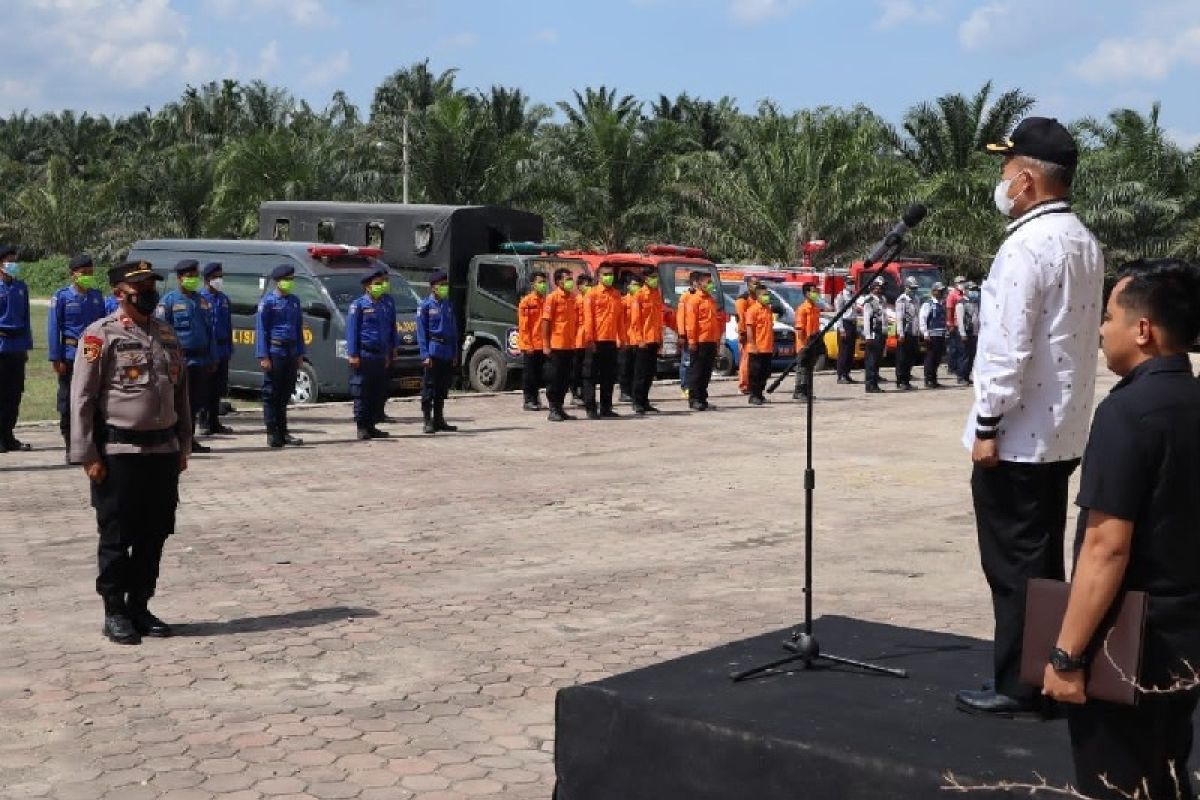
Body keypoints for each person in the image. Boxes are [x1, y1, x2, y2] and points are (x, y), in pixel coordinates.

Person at [956, 116, 1104, 717]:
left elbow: (1007, 346)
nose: (1001, 182)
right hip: (1061, 429)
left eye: (1005, 170)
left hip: (1017, 434)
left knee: (1014, 564)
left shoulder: (1025, 246)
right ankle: (1050, 670)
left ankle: (1020, 685)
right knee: (1042, 561)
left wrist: (987, 423)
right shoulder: (1083, 241)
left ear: (1026, 179)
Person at [1041, 260, 1200, 799]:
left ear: (1143, 330)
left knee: (1115, 780)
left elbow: (1106, 547)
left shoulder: (1127, 413)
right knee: (1170, 771)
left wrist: (1066, 655)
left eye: (1109, 316)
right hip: (1186, 636)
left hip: (1130, 644)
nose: (1101, 328)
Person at [70, 259, 190, 645]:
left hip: (163, 451)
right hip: (118, 451)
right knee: (118, 533)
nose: (148, 293)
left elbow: (182, 395)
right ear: (119, 293)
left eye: (151, 285)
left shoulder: (166, 334)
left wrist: (184, 444)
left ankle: (140, 603)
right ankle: (114, 610)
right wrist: (87, 453)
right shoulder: (98, 336)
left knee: (155, 532)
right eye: (139, 287)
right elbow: (82, 399)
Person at [48, 253, 106, 455]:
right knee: (68, 400)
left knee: (93, 398)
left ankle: (92, 442)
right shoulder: (62, 297)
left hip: (93, 353)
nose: (88, 276)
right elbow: (54, 328)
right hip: (70, 354)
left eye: (90, 273)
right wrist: (56, 357)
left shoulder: (97, 297)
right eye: (84, 273)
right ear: (73, 274)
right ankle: (70, 445)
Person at [156, 260, 214, 454]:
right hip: (180, 360)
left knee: (195, 401)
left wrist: (212, 357)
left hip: (201, 359)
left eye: (194, 276)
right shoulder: (169, 301)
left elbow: (209, 330)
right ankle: (175, 440)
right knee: (179, 402)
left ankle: (189, 439)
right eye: (189, 276)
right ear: (180, 278)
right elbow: (162, 333)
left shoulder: (202, 300)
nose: (192, 279)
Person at [255, 264, 306, 448]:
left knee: (285, 393)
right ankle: (272, 432)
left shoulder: (294, 301)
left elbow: (298, 328)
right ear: (278, 281)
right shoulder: (267, 302)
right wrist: (263, 356)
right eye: (287, 279)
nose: (290, 283)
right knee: (271, 394)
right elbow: (261, 330)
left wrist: (300, 352)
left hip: (291, 352)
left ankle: (284, 432)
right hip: (275, 351)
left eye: (292, 279)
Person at [345, 267, 397, 440]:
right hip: (364, 354)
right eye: (377, 284)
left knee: (377, 392)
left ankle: (372, 425)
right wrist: (353, 354)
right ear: (367, 286)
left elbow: (391, 328)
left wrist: (392, 350)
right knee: (362, 392)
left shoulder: (385, 304)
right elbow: (352, 331)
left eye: (382, 283)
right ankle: (362, 426)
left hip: (380, 355)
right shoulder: (358, 305)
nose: (381, 286)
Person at [416, 270, 459, 435]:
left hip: (447, 351)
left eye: (446, 285)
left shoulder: (448, 304)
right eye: (442, 285)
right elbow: (421, 333)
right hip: (433, 349)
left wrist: (455, 353)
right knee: (429, 387)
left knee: (442, 387)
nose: (445, 288)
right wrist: (425, 355)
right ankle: (427, 420)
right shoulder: (425, 305)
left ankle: (439, 419)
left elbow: (453, 330)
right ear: (433, 287)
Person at [0, 245, 32, 453]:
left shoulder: (21, 287)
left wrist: (26, 347)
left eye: (14, 260)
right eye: (8, 260)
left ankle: (8, 435)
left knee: (14, 394)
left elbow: (27, 317)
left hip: (17, 347)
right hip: (0, 345)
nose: (13, 264)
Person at [582, 264, 624, 420]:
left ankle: (606, 407)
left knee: (609, 376)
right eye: (605, 274)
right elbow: (588, 319)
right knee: (590, 376)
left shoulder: (616, 294)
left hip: (611, 340)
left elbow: (619, 319)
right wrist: (590, 339)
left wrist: (621, 338)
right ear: (598, 276)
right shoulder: (591, 294)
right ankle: (591, 408)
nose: (609, 277)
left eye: (611, 274)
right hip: (595, 341)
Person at [199, 262, 234, 436]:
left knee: (218, 388)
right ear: (207, 279)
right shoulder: (200, 298)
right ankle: (204, 422)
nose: (219, 280)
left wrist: (229, 349)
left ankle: (214, 422)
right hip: (206, 350)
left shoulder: (224, 299)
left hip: (222, 348)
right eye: (215, 277)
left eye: (221, 277)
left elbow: (228, 326)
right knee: (205, 387)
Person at [541, 268, 580, 422]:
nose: (571, 282)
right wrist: (546, 344)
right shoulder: (552, 298)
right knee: (554, 378)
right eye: (567, 279)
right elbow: (546, 322)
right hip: (556, 345)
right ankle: (553, 409)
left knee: (566, 378)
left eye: (571, 278)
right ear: (558, 282)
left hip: (569, 345)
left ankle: (560, 408)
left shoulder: (573, 298)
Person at [686, 272, 722, 410]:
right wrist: (692, 341)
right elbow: (691, 323)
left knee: (706, 372)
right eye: (708, 282)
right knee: (697, 371)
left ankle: (702, 398)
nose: (710, 285)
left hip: (711, 340)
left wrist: (717, 341)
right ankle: (694, 399)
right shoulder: (694, 300)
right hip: (699, 341)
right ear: (700, 283)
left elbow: (715, 322)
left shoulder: (710, 300)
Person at [630, 269, 664, 415]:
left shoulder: (656, 294)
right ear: (645, 278)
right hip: (643, 340)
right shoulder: (639, 295)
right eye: (652, 277)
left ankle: (645, 401)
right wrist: (640, 339)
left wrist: (660, 338)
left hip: (654, 339)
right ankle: (637, 402)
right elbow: (635, 321)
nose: (655, 280)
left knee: (650, 373)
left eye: (656, 277)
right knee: (640, 373)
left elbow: (658, 319)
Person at [518, 271, 548, 411]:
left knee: (539, 373)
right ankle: (528, 400)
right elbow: (524, 326)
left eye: (544, 282)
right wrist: (528, 344)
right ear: (533, 284)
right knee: (529, 374)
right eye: (540, 282)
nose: (543, 285)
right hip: (530, 344)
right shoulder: (527, 302)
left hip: (543, 344)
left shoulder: (547, 300)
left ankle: (536, 398)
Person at [743, 283, 775, 405]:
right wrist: (752, 344)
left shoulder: (768, 310)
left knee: (765, 373)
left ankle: (760, 395)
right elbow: (750, 329)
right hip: (756, 348)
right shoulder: (752, 310)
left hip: (767, 347)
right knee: (755, 373)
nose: (767, 297)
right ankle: (753, 395)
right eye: (764, 295)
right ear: (757, 296)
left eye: (767, 294)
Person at [792, 282, 823, 400]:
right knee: (802, 368)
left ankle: (806, 391)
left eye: (816, 291)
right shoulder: (802, 309)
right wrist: (803, 345)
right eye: (813, 291)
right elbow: (799, 328)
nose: (816, 294)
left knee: (809, 368)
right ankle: (799, 391)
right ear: (807, 293)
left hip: (813, 341)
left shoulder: (815, 308)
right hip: (804, 343)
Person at [893, 276, 920, 391]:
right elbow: (899, 318)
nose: (914, 290)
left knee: (910, 357)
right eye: (912, 288)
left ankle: (907, 379)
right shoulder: (901, 300)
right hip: (904, 333)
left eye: (915, 288)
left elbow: (916, 316)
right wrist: (901, 333)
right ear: (906, 288)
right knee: (902, 358)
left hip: (913, 332)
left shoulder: (916, 299)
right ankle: (901, 381)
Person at [919, 283, 948, 389]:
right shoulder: (928, 304)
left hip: (941, 334)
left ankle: (934, 379)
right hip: (931, 334)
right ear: (933, 291)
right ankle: (929, 380)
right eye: (939, 291)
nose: (941, 293)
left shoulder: (942, 303)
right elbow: (922, 319)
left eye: (942, 291)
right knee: (930, 358)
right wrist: (925, 333)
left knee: (937, 358)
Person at [735, 276, 761, 395]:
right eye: (755, 283)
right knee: (746, 360)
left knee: (754, 362)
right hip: (747, 335)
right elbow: (740, 318)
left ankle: (752, 383)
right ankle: (744, 385)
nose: (757, 286)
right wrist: (742, 333)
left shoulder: (758, 299)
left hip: (758, 335)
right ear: (748, 285)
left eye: (758, 283)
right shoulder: (743, 300)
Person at [860, 278, 886, 394]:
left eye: (881, 286)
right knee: (871, 359)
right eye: (878, 286)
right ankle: (870, 384)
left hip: (881, 332)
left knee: (877, 359)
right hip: (873, 333)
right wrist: (868, 336)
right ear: (873, 287)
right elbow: (867, 319)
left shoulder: (882, 299)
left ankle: (875, 382)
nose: (880, 288)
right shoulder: (869, 301)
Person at [618, 275, 641, 403]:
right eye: (633, 284)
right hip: (625, 337)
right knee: (625, 366)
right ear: (627, 286)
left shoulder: (639, 300)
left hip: (637, 338)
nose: (635, 287)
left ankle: (633, 391)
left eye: (637, 284)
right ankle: (624, 391)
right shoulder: (623, 301)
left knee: (635, 366)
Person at [571, 273, 593, 406]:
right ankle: (575, 393)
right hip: (577, 339)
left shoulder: (592, 299)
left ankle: (585, 394)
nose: (589, 287)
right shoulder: (576, 300)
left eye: (590, 284)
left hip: (589, 340)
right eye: (586, 285)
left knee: (587, 369)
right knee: (576, 369)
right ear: (579, 286)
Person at [833, 277, 858, 384]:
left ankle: (847, 374)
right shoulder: (840, 297)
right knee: (844, 352)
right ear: (845, 284)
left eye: (853, 283)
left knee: (850, 352)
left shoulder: (854, 295)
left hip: (852, 324)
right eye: (850, 283)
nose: (851, 285)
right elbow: (838, 314)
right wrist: (841, 329)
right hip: (845, 324)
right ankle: (841, 375)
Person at [955, 281, 980, 385]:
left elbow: (976, 318)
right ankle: (961, 377)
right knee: (964, 355)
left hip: (973, 332)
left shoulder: (974, 302)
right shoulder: (961, 303)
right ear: (966, 291)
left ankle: (966, 375)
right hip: (965, 332)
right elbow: (960, 320)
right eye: (972, 290)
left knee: (971, 355)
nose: (974, 292)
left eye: (975, 290)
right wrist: (962, 333)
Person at [677, 281, 698, 400]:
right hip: (687, 335)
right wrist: (681, 334)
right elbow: (680, 317)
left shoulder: (702, 297)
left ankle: (694, 387)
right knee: (686, 362)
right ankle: (685, 387)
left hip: (698, 337)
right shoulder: (685, 297)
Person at [945, 275, 967, 377]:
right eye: (960, 282)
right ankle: (952, 367)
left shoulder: (964, 294)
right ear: (955, 284)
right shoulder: (952, 295)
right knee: (954, 348)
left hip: (963, 323)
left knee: (958, 348)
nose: (962, 283)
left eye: (963, 282)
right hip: (955, 324)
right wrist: (950, 324)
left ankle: (957, 367)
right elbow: (949, 309)